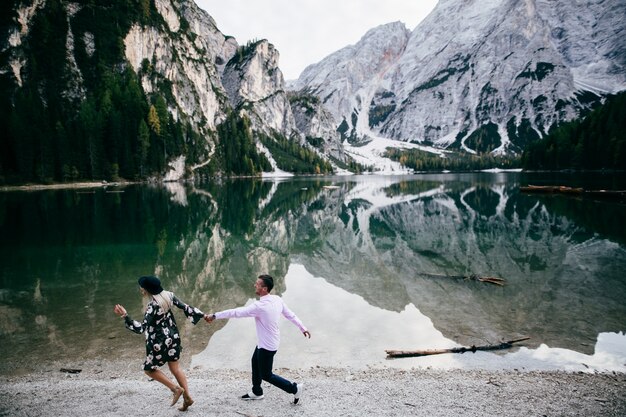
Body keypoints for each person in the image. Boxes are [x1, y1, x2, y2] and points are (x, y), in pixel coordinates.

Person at [205, 274, 311, 404]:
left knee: (266, 374)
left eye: (257, 284)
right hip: (268, 342)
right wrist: (303, 328)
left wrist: (215, 315)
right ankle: (256, 391)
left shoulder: (259, 307)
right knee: (255, 362)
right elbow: (290, 315)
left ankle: (294, 388)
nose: (254, 285)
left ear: (264, 289)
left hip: (267, 345)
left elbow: (236, 312)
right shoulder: (277, 299)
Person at [113, 276, 205, 412]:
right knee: (175, 368)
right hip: (173, 337)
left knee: (148, 369)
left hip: (159, 342)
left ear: (145, 290)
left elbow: (141, 328)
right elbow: (185, 307)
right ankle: (187, 398)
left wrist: (125, 316)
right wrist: (203, 315)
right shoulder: (169, 295)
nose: (140, 288)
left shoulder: (153, 306)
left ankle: (175, 389)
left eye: (141, 287)